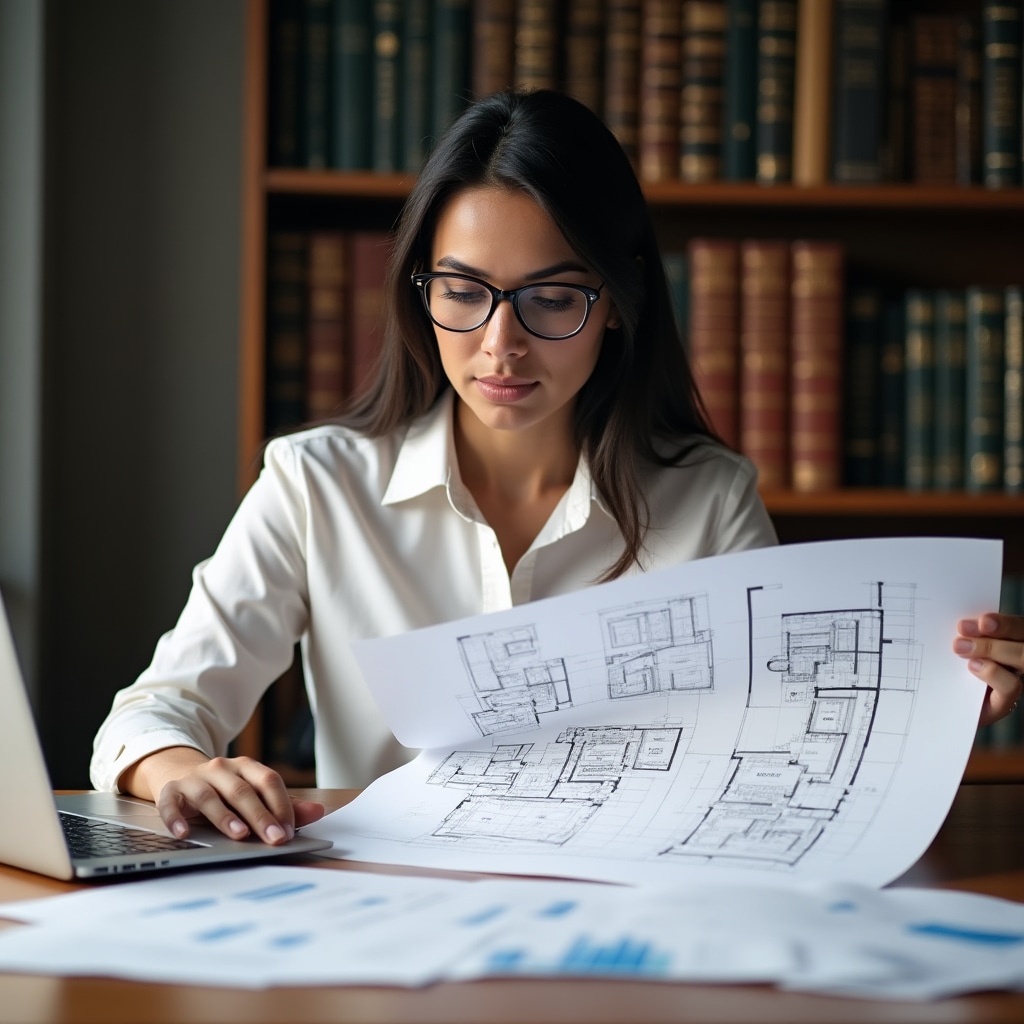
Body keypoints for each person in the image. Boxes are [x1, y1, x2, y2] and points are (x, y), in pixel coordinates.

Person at [91, 89, 1023, 848]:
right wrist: (180, 770)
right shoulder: (315, 483)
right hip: (379, 915)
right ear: (422, 296)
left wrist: (933, 711)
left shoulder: (706, 500)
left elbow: (778, 748)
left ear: (616, 302)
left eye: (552, 298)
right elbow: (156, 710)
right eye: (463, 292)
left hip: (632, 911)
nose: (501, 346)